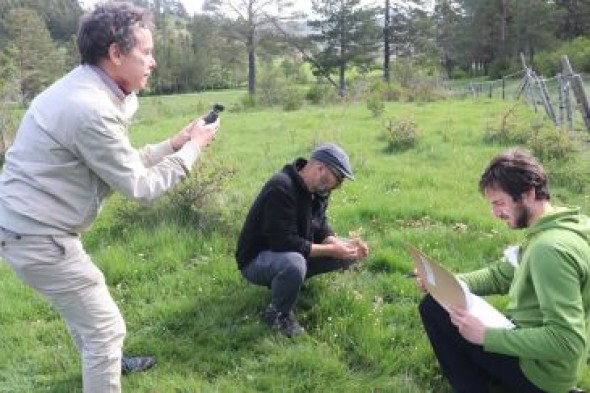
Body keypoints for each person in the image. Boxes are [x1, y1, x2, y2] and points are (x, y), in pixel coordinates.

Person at [0, 2, 219, 392]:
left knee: (87, 317)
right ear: (116, 54)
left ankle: (108, 364)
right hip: (37, 238)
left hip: (28, 230)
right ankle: (106, 365)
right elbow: (140, 187)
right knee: (106, 329)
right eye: (146, 53)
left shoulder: (91, 89)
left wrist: (174, 143)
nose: (153, 63)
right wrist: (195, 149)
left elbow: (120, 162)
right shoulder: (90, 108)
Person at [415, 148, 590, 393]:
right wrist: (449, 282)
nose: (495, 213)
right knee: (440, 301)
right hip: (552, 361)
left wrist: (486, 336)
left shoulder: (549, 250)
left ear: (528, 194)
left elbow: (566, 341)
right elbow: (501, 275)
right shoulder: (562, 225)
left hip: (541, 372)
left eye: (499, 203)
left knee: (433, 309)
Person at [236, 143, 369, 337]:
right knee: (294, 263)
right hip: (256, 260)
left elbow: (320, 225)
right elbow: (283, 242)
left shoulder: (320, 190)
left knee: (349, 249)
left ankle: (289, 283)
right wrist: (332, 250)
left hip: (288, 252)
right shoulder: (281, 187)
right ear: (320, 168)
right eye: (337, 178)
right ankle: (279, 314)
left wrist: (336, 243)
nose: (338, 186)